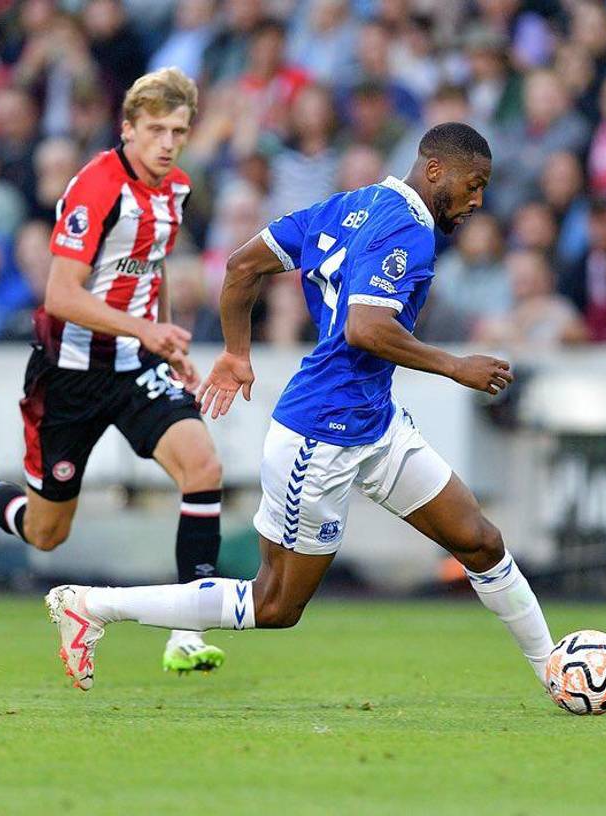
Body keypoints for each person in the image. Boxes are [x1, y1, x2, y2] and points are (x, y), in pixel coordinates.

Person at [43, 123, 564, 702]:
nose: (478, 202)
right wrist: (455, 366)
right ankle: (91, 605)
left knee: (480, 541)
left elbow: (242, 267)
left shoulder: (349, 205)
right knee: (274, 604)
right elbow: (366, 329)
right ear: (437, 170)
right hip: (320, 435)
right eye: (475, 185)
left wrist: (238, 353)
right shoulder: (410, 232)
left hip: (374, 422)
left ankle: (554, 670)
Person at [0, 69, 229, 676]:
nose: (167, 143)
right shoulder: (97, 188)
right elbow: (59, 295)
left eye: (178, 131)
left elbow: (150, 272)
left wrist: (168, 341)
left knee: (203, 466)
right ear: (127, 128)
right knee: (49, 532)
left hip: (133, 367)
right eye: (155, 129)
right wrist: (146, 330)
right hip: (68, 376)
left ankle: (186, 629)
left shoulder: (175, 189)